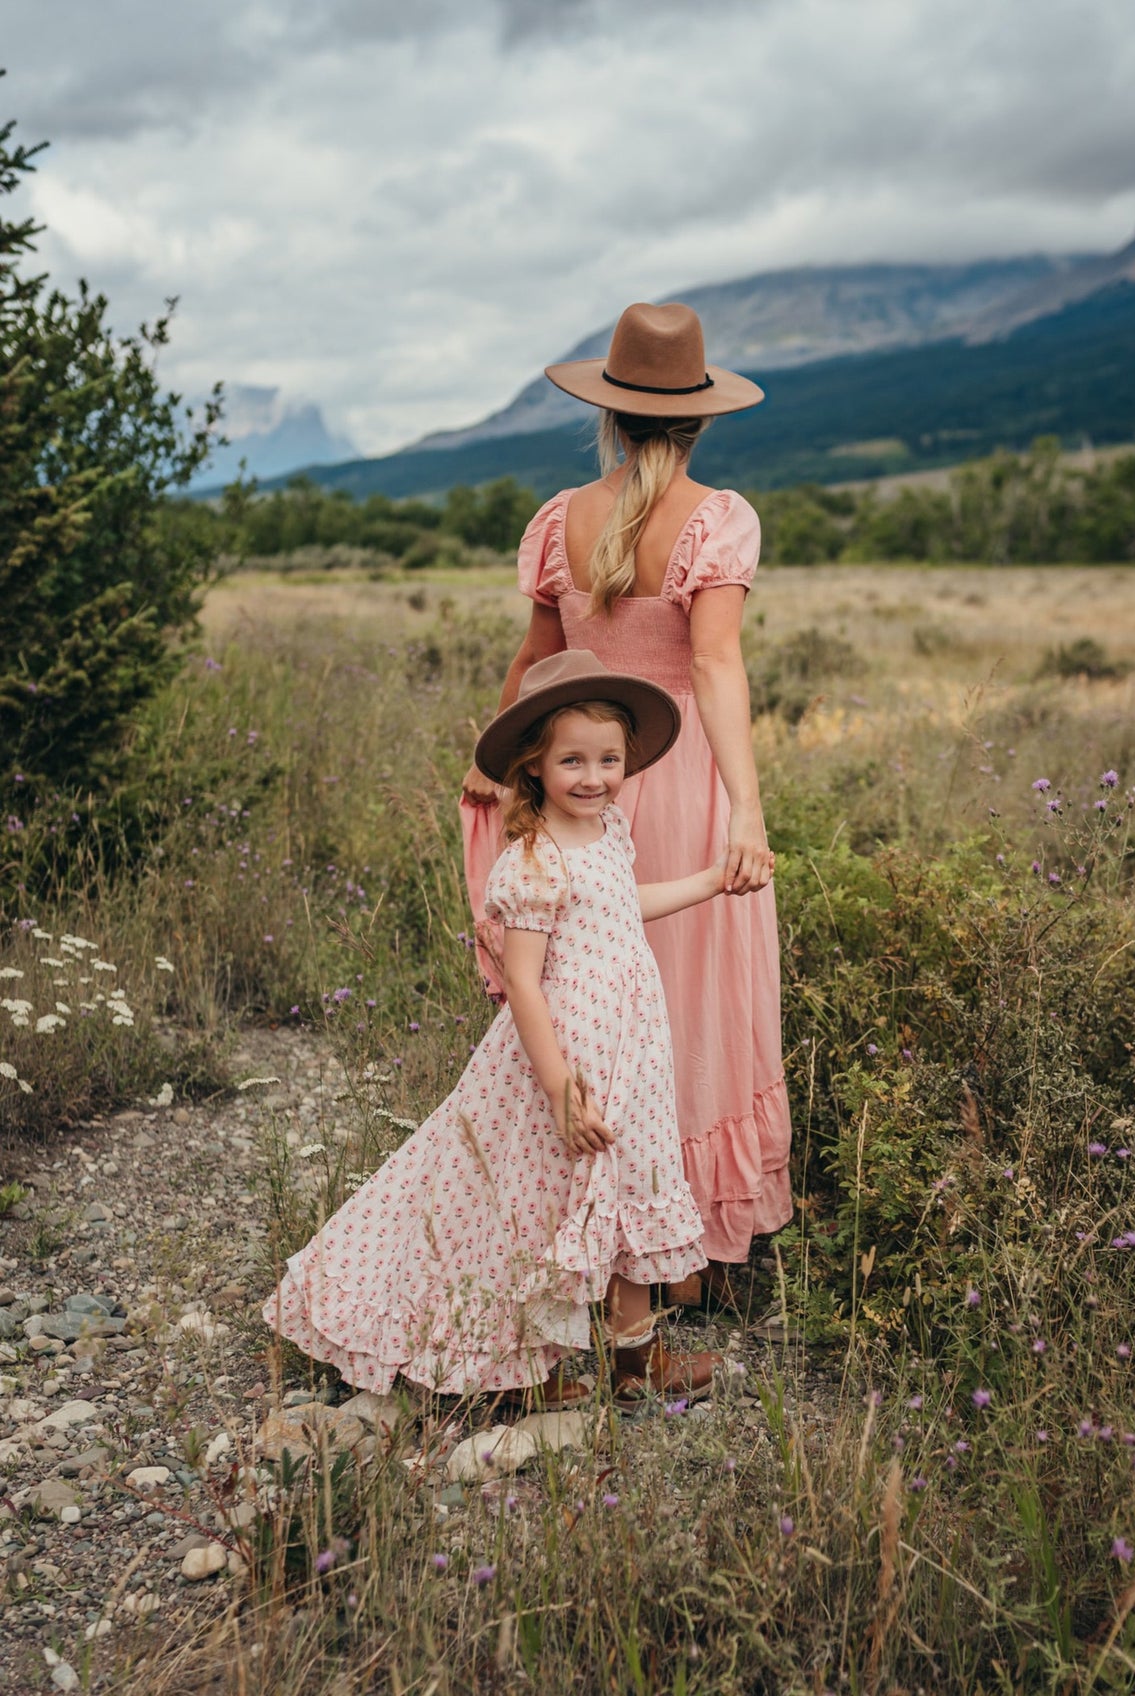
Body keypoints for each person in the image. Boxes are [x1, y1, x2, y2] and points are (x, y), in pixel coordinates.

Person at [264, 650, 750, 1407]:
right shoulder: (532, 860)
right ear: (533, 767)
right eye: (573, 761)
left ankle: (632, 1361)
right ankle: (523, 1372)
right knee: (536, 1205)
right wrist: (560, 1087)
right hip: (562, 1063)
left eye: (609, 760)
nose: (594, 777)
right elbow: (523, 981)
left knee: (626, 1191)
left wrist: (713, 880)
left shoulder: (609, 831)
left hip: (632, 1053)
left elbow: (624, 907)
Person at [461, 301, 792, 1302]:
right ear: (698, 420)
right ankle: (676, 1250)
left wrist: (500, 756)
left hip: (575, 785)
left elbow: (536, 660)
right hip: (678, 773)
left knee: (586, 1008)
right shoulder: (719, 518)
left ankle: (590, 1231)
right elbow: (716, 664)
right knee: (689, 1008)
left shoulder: (562, 517)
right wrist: (745, 808)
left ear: (609, 416)